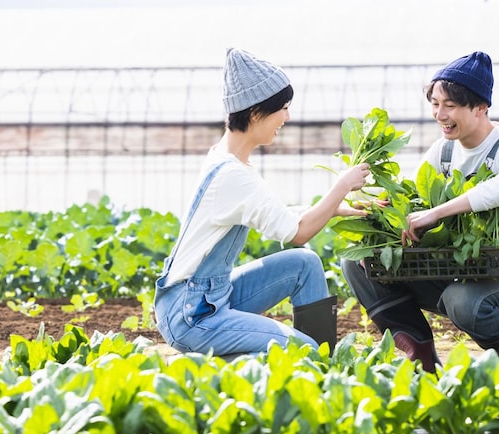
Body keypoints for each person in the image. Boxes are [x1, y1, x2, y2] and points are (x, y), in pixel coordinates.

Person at [341, 51, 499, 372]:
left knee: (463, 301)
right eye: (435, 103)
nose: (439, 113)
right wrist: (384, 210)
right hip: (462, 268)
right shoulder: (443, 151)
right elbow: (414, 197)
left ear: (480, 107)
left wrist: (437, 213)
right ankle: (420, 356)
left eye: (450, 105)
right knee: (358, 263)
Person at [153, 48, 370, 357]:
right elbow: (298, 233)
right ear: (255, 113)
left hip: (210, 296)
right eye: (282, 108)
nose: (287, 117)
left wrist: (332, 208)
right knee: (303, 351)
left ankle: (323, 364)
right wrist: (343, 185)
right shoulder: (234, 175)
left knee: (303, 264)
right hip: (192, 315)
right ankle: (220, 372)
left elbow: (278, 217)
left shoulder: (226, 159)